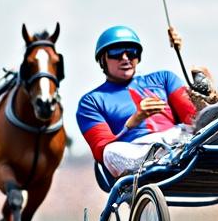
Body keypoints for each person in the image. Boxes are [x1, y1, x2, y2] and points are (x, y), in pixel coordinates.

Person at [76, 25, 201, 177]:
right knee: (110, 152)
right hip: (135, 151)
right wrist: (133, 121)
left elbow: (194, 119)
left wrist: (206, 95)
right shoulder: (91, 101)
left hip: (176, 139)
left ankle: (172, 153)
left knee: (198, 127)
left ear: (138, 56)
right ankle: (160, 159)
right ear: (103, 59)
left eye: (131, 52)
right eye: (116, 53)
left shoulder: (165, 78)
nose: (125, 58)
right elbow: (101, 150)